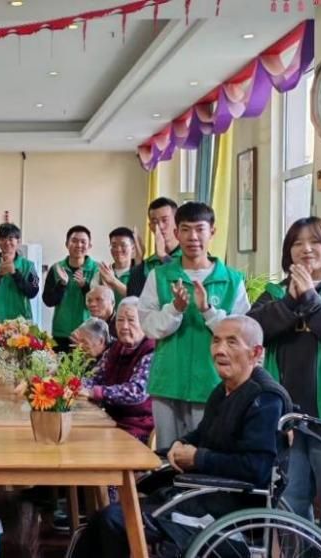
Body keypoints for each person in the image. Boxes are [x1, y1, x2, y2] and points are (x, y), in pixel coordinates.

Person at [73, 316, 289, 558]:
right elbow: (202, 434)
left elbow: (257, 468)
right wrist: (179, 445)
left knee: (113, 520)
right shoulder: (224, 390)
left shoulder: (265, 398)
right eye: (216, 341)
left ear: (255, 353)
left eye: (231, 342)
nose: (219, 350)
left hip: (227, 509)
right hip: (199, 493)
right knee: (104, 518)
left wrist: (198, 458)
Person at [246, 216, 321, 558]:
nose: (306, 249)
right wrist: (290, 302)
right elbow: (252, 331)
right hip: (286, 421)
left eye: (315, 242)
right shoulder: (274, 294)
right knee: (290, 511)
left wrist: (311, 299)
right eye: (297, 243)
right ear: (288, 252)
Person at [138, 202, 249, 450]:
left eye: (200, 229)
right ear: (176, 233)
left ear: (213, 232)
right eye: (186, 230)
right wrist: (175, 309)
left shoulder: (232, 280)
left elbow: (241, 334)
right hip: (167, 381)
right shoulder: (160, 276)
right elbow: (148, 326)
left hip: (213, 383)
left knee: (206, 455)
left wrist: (207, 311)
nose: (193, 237)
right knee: (167, 455)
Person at [82, 298, 155, 443]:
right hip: (110, 420)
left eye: (131, 320)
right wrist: (74, 386)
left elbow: (137, 392)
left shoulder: (151, 350)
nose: (124, 326)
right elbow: (95, 377)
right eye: (120, 320)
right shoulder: (115, 348)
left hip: (138, 426)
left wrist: (95, 392)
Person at [0, 223, 40, 355]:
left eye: (11, 238)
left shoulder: (29, 266)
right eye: (3, 238)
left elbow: (33, 292)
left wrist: (15, 273)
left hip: (22, 327)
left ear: (18, 241)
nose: (7, 242)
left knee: (22, 365)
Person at [43, 225, 99, 352]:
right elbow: (48, 301)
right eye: (74, 241)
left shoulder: (96, 269)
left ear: (90, 245)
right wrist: (62, 285)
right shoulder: (56, 268)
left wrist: (84, 286)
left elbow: (99, 303)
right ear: (67, 244)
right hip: (61, 332)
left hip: (88, 333)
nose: (78, 245)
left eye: (83, 242)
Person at [94, 226, 148, 299]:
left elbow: (139, 298)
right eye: (114, 246)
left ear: (133, 248)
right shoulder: (103, 273)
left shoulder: (143, 272)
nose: (118, 249)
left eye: (123, 245)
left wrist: (113, 280)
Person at [142, 196, 181, 272]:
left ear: (177, 222)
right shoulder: (149, 264)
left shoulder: (190, 256)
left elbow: (184, 276)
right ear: (150, 227)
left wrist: (163, 256)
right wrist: (138, 260)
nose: (160, 226)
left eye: (165, 220)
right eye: (155, 222)